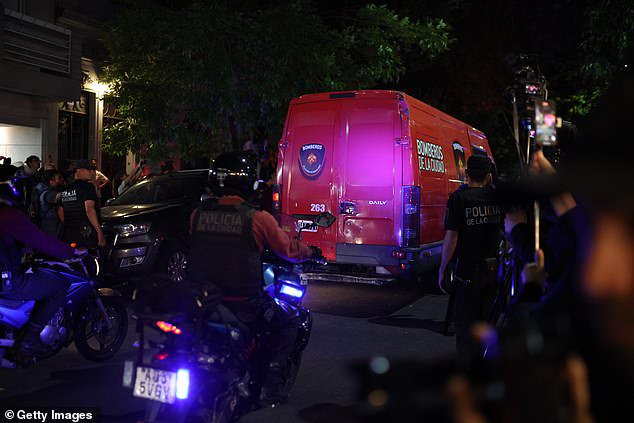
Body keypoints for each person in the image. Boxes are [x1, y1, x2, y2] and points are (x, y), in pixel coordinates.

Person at [188, 151, 318, 404]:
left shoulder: (197, 215)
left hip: (201, 299)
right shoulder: (257, 219)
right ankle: (270, 385)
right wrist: (310, 251)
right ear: (249, 183)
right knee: (290, 323)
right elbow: (289, 250)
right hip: (243, 302)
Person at [0, 178, 86, 359]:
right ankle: (29, 339)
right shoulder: (9, 215)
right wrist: (71, 252)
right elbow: (42, 240)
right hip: (7, 281)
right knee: (59, 286)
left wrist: (22, 248)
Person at [438, 155, 502, 362]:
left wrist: (442, 269)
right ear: (489, 176)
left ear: (467, 174)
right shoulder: (497, 198)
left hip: (467, 273)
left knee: (465, 329)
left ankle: (469, 373)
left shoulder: (459, 199)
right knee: (490, 325)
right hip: (494, 271)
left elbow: (452, 237)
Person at [57, 159, 106, 249]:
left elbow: (60, 211)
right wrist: (99, 232)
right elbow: (90, 210)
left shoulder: (65, 189)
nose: (92, 173)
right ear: (80, 171)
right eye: (90, 170)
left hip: (69, 233)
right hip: (86, 234)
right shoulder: (87, 187)